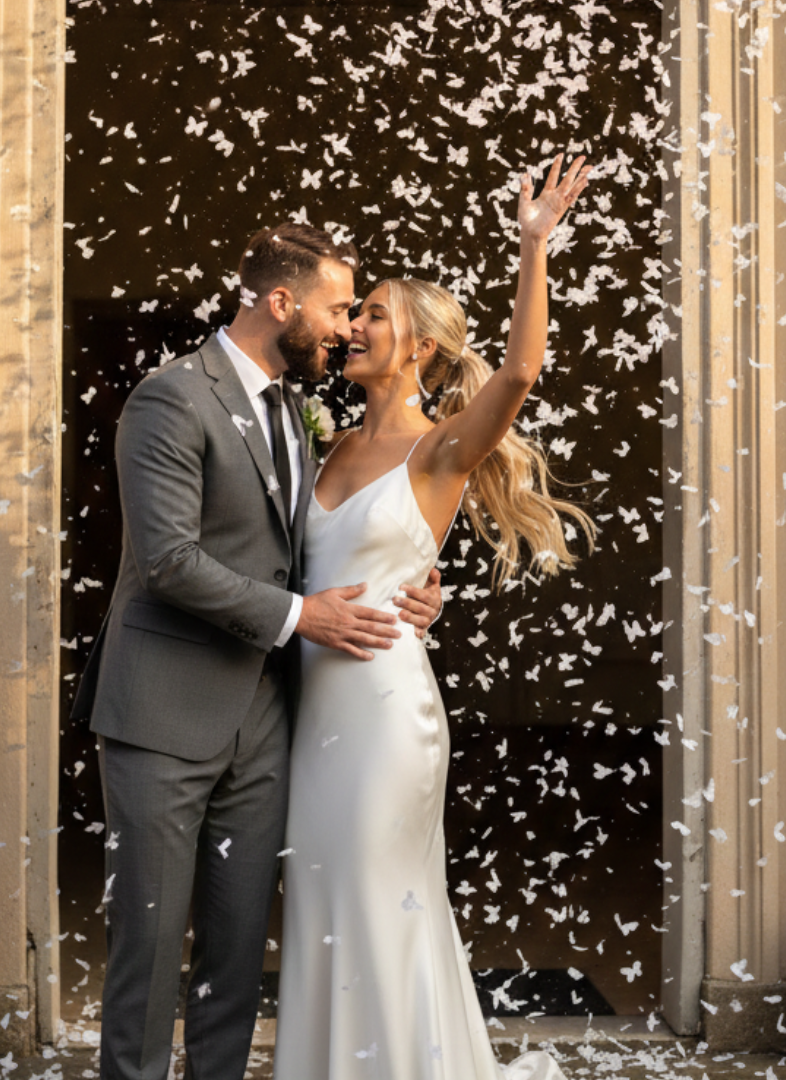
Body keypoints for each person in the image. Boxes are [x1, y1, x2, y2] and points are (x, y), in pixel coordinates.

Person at [70, 223, 443, 1080]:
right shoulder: (171, 398)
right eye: (338, 309)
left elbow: (315, 545)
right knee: (148, 949)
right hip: (163, 714)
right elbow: (168, 561)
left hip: (267, 723)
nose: (347, 328)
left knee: (236, 955)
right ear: (281, 302)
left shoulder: (295, 412)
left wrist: (416, 585)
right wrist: (301, 617)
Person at [273, 154, 596, 1079]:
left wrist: (534, 245)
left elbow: (521, 371)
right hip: (310, 716)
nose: (353, 325)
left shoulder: (440, 451)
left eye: (373, 313)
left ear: (418, 345)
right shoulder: (322, 442)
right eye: (356, 313)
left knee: (382, 899)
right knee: (323, 901)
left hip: (385, 717)